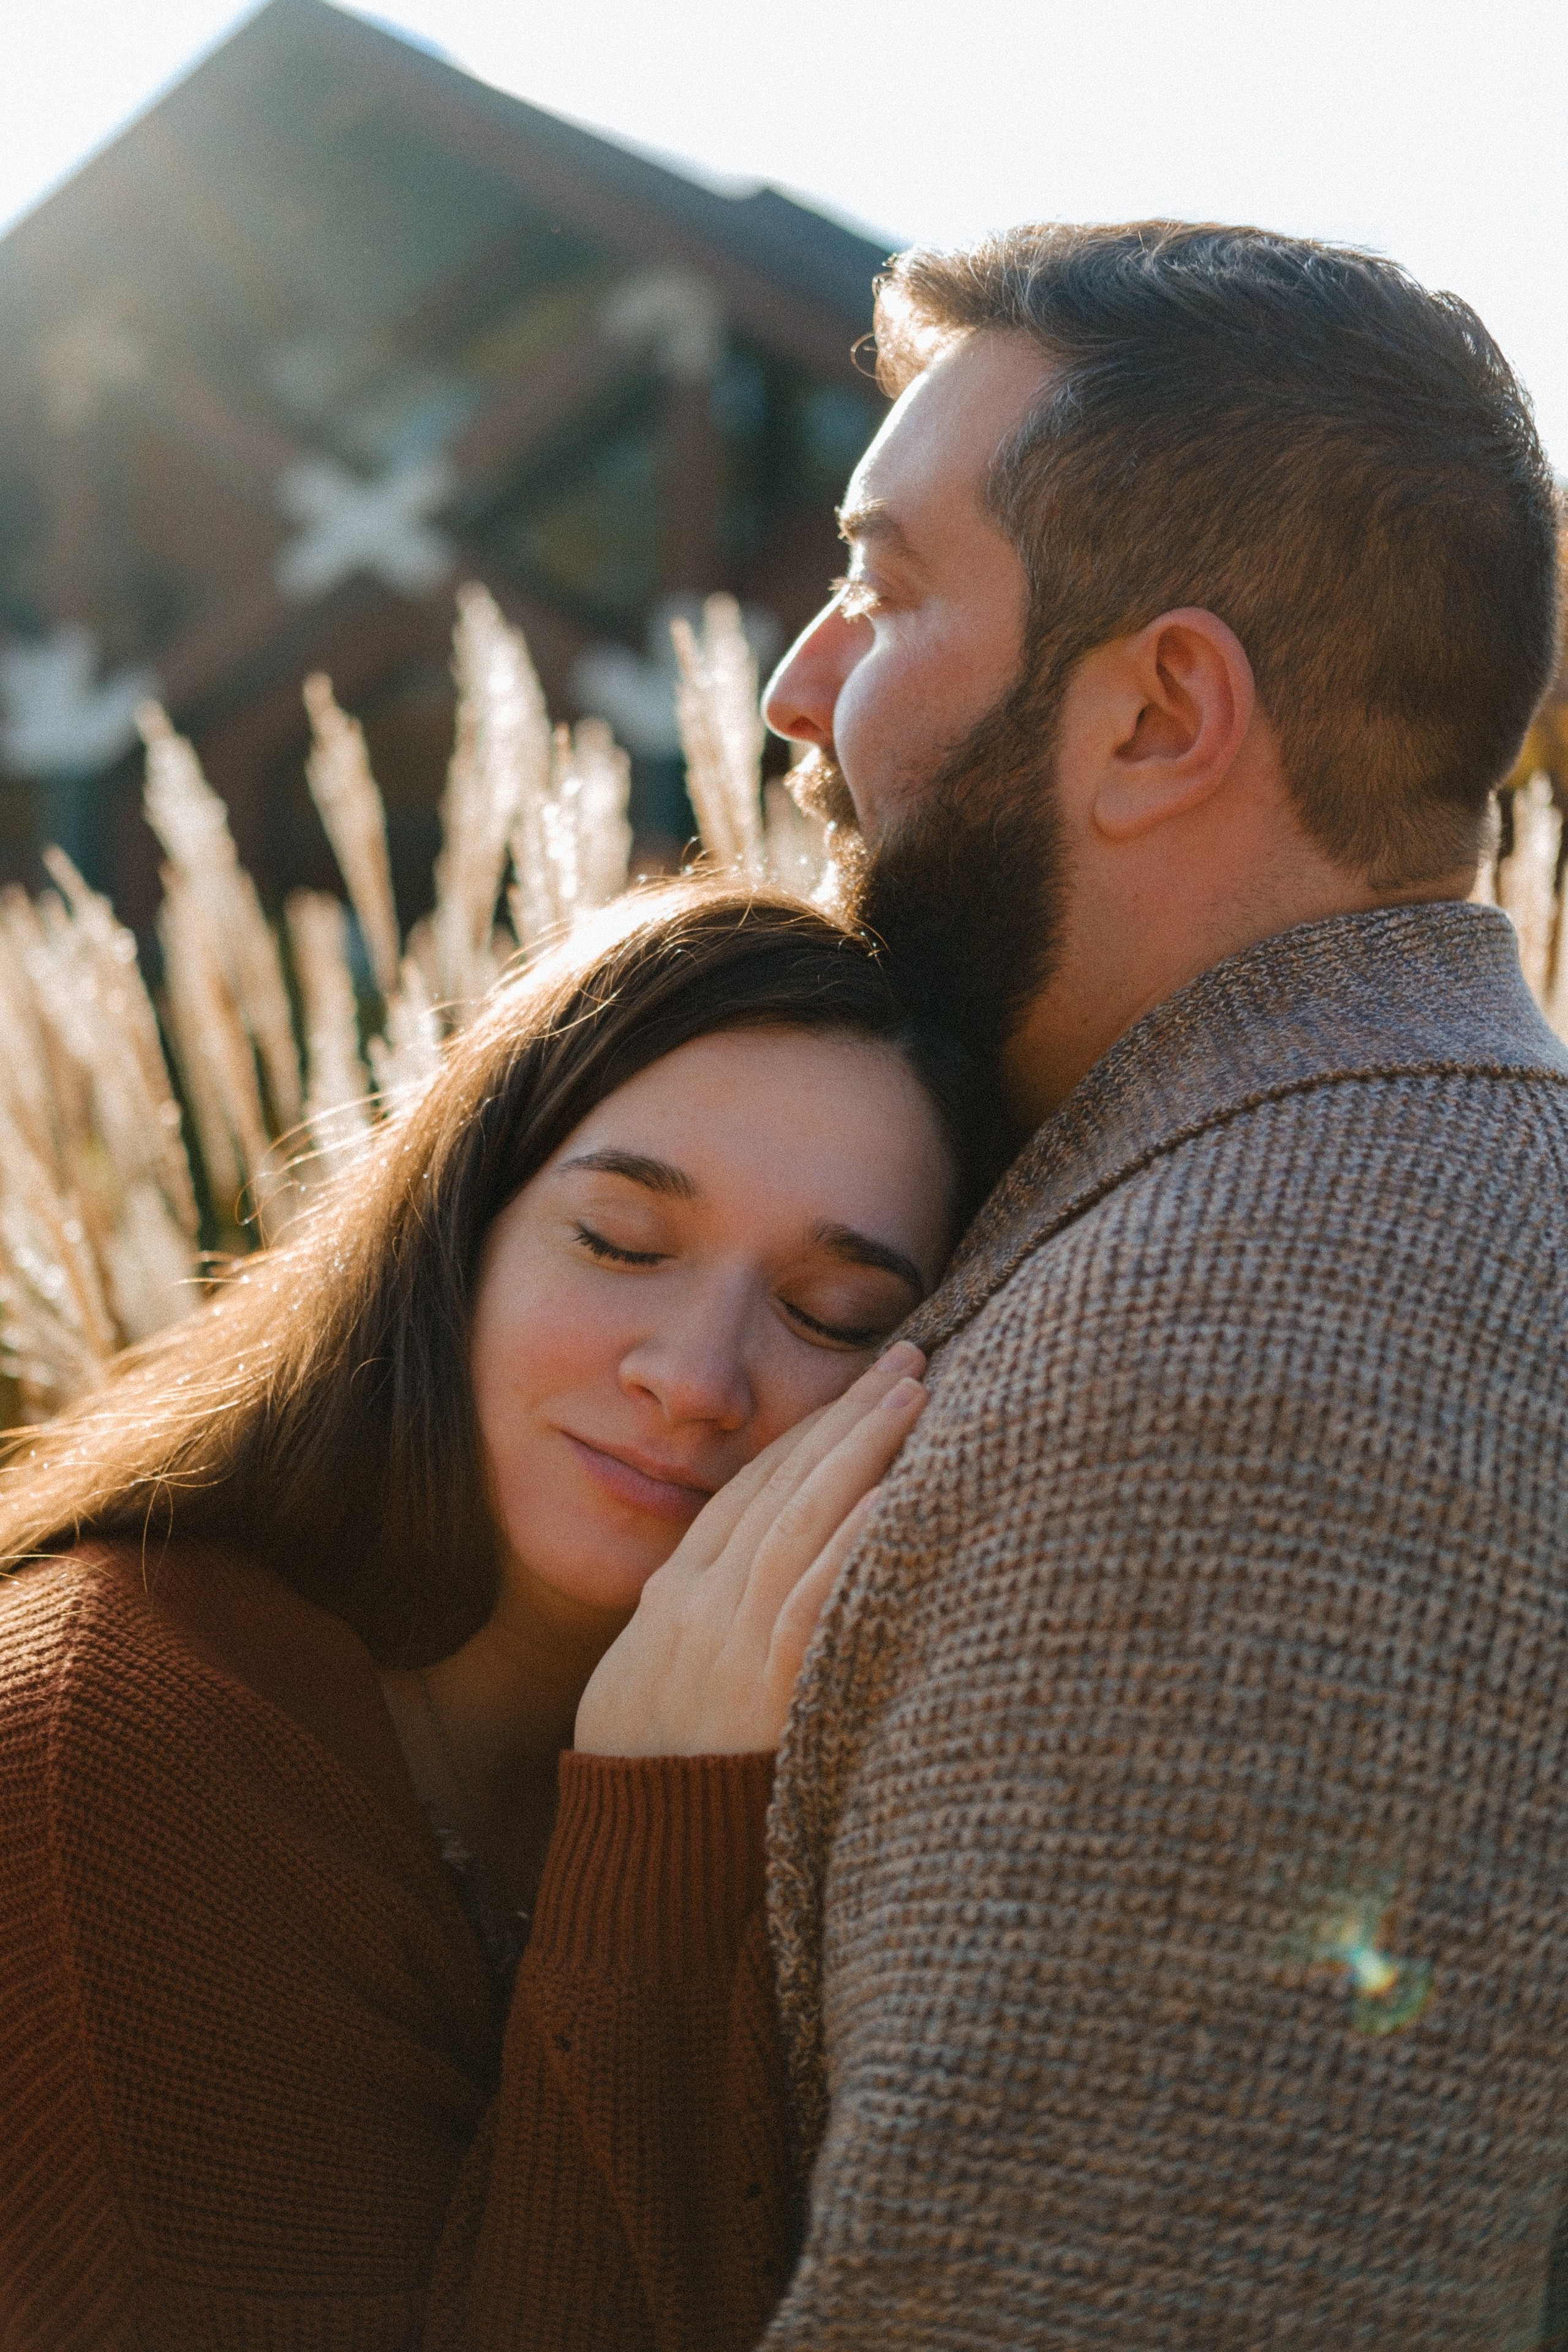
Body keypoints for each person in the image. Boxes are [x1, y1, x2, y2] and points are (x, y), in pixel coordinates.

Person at [754, 222, 1568, 2346]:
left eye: (890, 589)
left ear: (1161, 716)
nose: (797, 690)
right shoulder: (1381, 1205)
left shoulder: (1250, 1376)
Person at [0, 886, 1001, 2351]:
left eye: (835, 1313)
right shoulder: (112, 1756)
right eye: (617, 1239)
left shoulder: (858, 1792)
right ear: (457, 1233)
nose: (695, 1375)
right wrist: (659, 1825)